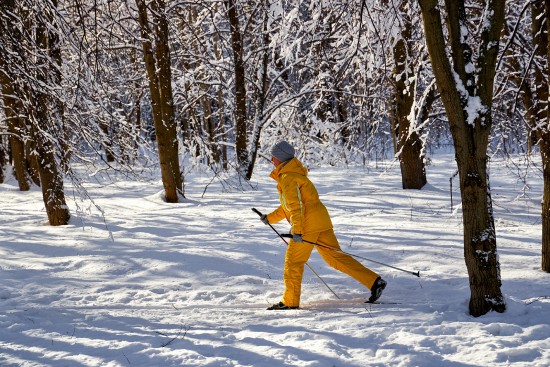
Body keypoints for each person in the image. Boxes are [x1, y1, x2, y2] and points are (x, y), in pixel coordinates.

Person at [261, 140, 387, 310]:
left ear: (281, 158)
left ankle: (290, 301)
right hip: (321, 221)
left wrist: (297, 230)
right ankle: (374, 282)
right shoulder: (295, 174)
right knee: (335, 258)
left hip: (307, 225)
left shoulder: (287, 178)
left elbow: (295, 207)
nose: (271, 160)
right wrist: (269, 218)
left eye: (273, 157)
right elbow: (288, 207)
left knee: (293, 262)